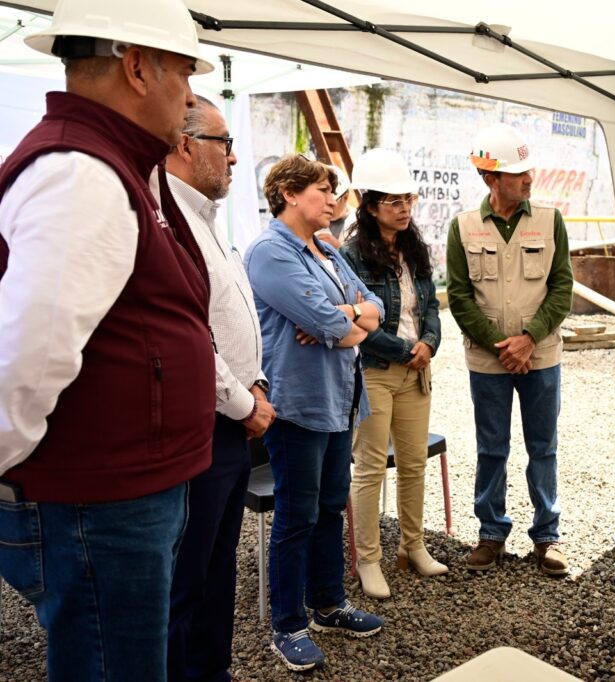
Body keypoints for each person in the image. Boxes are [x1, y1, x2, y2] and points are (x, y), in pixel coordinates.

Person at [0, 1, 216, 679]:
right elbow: (22, 361)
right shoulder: (82, 173)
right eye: (184, 73)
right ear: (138, 68)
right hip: (95, 504)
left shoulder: (115, 162)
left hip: (114, 497)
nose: (187, 97)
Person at [245, 154, 385, 672]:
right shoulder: (268, 253)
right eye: (323, 190)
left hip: (339, 399)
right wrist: (344, 320)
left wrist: (349, 315)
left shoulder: (324, 248)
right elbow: (328, 324)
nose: (333, 200)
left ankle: (328, 604)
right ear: (288, 193)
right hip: (298, 406)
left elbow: (373, 307)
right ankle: (288, 625)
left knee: (330, 507)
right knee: (297, 516)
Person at [165, 95, 276, 682]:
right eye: (223, 144)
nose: (234, 159)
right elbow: (188, 339)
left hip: (233, 421)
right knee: (187, 579)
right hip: (205, 427)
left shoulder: (204, 218)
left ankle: (213, 672)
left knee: (217, 571)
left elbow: (230, 324)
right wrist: (245, 402)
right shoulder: (168, 220)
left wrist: (253, 383)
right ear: (185, 145)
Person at [446, 122, 574, 577]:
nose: (527, 178)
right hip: (488, 361)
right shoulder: (462, 228)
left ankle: (547, 536)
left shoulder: (549, 220)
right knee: (491, 448)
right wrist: (499, 347)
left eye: (528, 169)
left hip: (539, 356)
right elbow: (459, 297)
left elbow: (562, 289)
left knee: (544, 447)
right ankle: (491, 535)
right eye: (516, 172)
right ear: (490, 178)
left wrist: (528, 339)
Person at [341, 149, 445, 599]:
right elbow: (357, 325)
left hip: (415, 371)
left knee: (414, 463)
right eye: (393, 202)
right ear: (368, 205)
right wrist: (408, 348)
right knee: (369, 470)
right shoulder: (351, 254)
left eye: (408, 200)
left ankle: (412, 547)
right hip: (377, 372)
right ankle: (368, 560)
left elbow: (432, 306)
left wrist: (430, 344)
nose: (404, 209)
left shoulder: (414, 249)